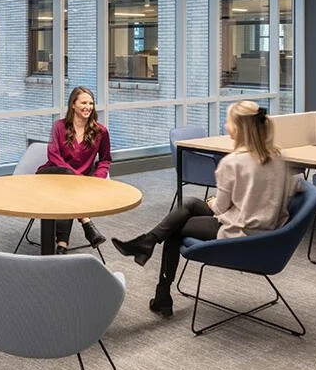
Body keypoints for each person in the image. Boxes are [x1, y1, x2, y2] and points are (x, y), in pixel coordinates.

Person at [112, 100, 297, 316]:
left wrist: (212, 202)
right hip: (268, 230)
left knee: (176, 228)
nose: (225, 125)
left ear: (237, 127)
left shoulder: (233, 163)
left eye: (227, 121)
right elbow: (295, 187)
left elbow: (220, 208)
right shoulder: (277, 157)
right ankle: (147, 243)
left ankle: (161, 289)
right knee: (189, 203)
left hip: (241, 232)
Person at [42, 87, 110, 252]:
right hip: (52, 174)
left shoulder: (101, 131)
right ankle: (85, 220)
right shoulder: (59, 126)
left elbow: (105, 160)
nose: (88, 106)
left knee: (68, 191)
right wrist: (76, 177)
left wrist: (97, 179)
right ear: (73, 105)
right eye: (83, 103)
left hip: (76, 183)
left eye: (91, 103)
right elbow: (53, 156)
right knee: (68, 181)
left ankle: (62, 246)